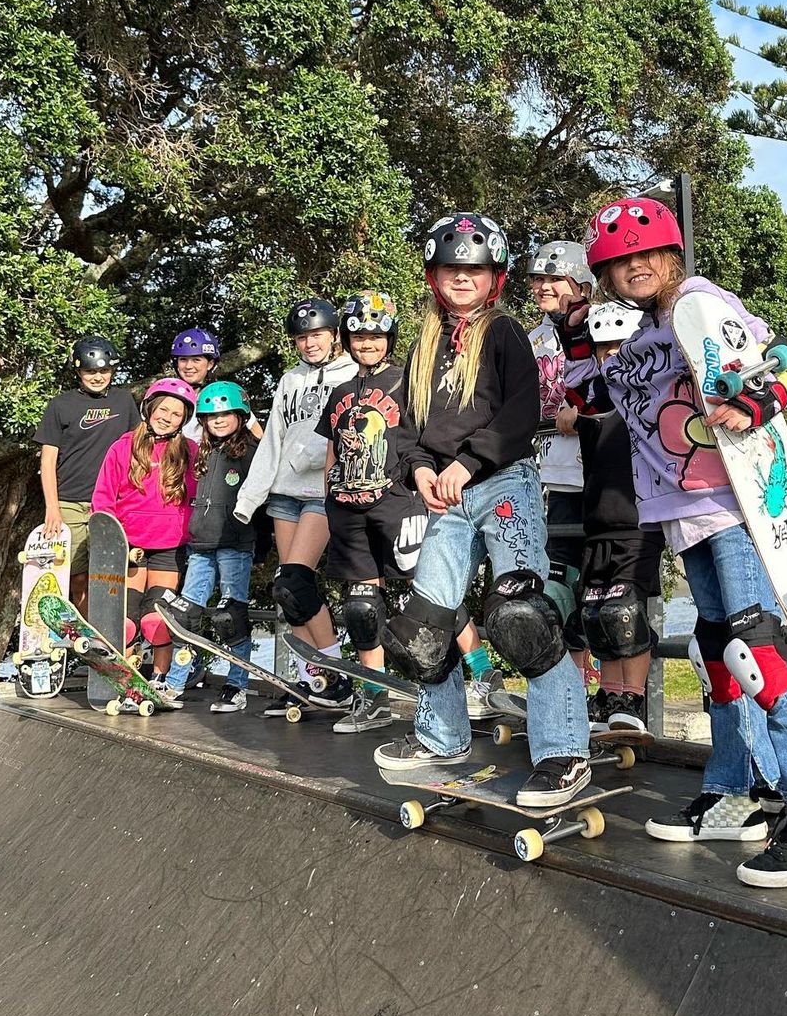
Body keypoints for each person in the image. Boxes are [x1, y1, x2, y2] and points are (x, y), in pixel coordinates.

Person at [558, 196, 787, 887]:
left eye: (644, 255)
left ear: (671, 255)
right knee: (720, 653)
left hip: (731, 502)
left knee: (754, 644)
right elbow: (589, 401)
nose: (633, 268)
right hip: (678, 509)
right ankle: (734, 791)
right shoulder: (638, 332)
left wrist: (758, 400)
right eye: (618, 261)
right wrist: (572, 332)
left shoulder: (697, 299)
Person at [373, 213, 592, 808]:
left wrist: (466, 465)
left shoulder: (504, 334)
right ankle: (442, 738)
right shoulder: (423, 344)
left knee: (523, 616)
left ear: (493, 277)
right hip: (443, 493)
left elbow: (520, 416)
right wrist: (419, 468)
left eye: (474, 269)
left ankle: (564, 751)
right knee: (425, 626)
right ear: (433, 274)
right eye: (452, 268)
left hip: (503, 485)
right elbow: (410, 427)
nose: (461, 277)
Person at [234, 298, 358, 716]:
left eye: (316, 335)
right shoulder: (289, 380)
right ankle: (313, 680)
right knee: (289, 595)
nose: (309, 343)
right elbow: (272, 441)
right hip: (284, 493)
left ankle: (337, 675)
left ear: (334, 335)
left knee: (297, 582)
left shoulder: (353, 373)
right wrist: (250, 497)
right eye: (302, 337)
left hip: (323, 491)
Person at [316, 290, 431, 733]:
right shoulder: (342, 391)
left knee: (426, 599)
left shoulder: (407, 382)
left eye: (377, 335)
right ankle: (375, 696)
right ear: (346, 339)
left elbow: (426, 439)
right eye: (359, 335)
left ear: (390, 338)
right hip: (348, 508)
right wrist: (329, 492)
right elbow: (331, 448)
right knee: (362, 607)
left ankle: (478, 678)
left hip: (400, 503)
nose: (368, 342)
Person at [568, 300, 663, 733]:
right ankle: (608, 697)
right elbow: (569, 365)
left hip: (639, 519)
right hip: (598, 519)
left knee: (625, 609)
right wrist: (571, 414)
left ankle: (635, 699)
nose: (610, 356)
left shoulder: (648, 390)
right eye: (603, 349)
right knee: (595, 611)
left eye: (619, 346)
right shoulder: (593, 394)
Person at [91, 377, 198, 702]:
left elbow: (197, 498)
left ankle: (161, 681)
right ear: (149, 408)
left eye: (176, 414)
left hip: (169, 545)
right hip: (130, 548)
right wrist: (109, 540)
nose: (167, 416)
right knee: (125, 621)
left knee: (157, 620)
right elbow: (103, 497)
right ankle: (122, 679)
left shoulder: (189, 451)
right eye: (163, 409)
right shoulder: (123, 447)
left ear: (184, 419)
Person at [161, 382, 261, 711]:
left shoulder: (252, 450)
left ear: (240, 415)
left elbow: (264, 497)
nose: (217, 421)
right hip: (201, 545)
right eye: (210, 416)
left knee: (230, 616)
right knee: (185, 616)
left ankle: (236, 685)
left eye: (224, 414)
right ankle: (174, 682)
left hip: (235, 543)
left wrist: (262, 542)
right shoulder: (200, 452)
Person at [526, 241, 596, 710]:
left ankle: (602, 691)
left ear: (581, 284)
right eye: (538, 280)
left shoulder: (603, 326)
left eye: (555, 279)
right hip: (547, 474)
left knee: (597, 591)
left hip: (594, 475)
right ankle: (564, 693)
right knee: (552, 590)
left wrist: (580, 406)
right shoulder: (531, 340)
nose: (544, 287)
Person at [34, 336, 139, 614]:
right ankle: (86, 634)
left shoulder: (124, 400)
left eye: (104, 371)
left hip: (113, 502)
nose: (98, 377)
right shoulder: (60, 405)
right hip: (69, 502)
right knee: (77, 577)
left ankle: (109, 630)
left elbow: (138, 447)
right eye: (91, 371)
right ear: (79, 371)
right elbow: (48, 460)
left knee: (109, 575)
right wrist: (52, 508)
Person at [170, 327, 262, 445]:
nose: (188, 366)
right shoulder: (165, 397)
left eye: (196, 360)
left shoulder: (225, 394)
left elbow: (259, 437)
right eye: (183, 359)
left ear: (210, 364)